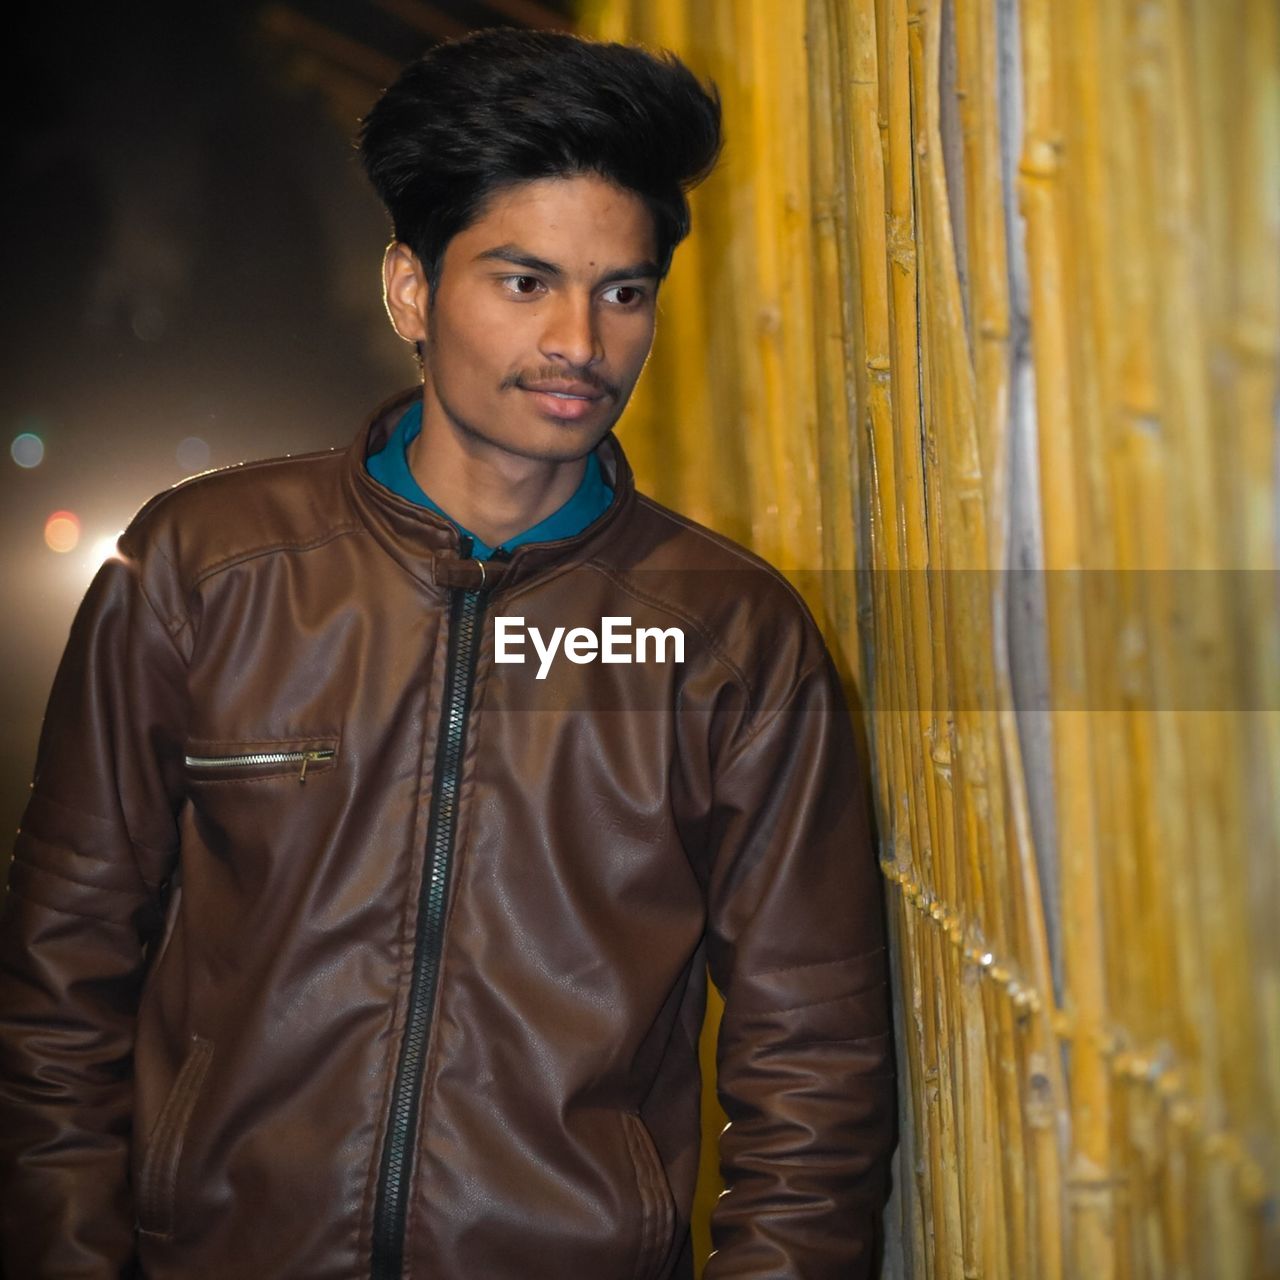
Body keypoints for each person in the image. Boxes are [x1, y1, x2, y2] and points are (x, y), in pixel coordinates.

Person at [0, 27, 894, 1280]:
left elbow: (813, 1063)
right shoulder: (207, 565)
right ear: (410, 289)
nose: (580, 340)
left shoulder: (726, 635)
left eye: (621, 290)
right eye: (523, 282)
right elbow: (59, 973)